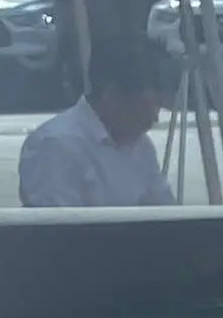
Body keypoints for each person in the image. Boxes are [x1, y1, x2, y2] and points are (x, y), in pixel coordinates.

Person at [16, 44, 172, 208]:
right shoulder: (56, 145)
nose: (154, 120)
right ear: (111, 97)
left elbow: (162, 207)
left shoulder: (141, 146)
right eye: (143, 109)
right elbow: (58, 221)